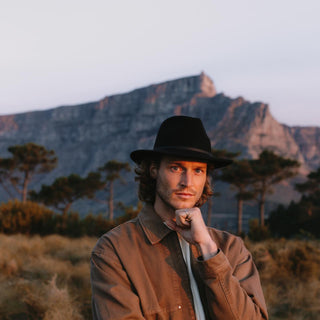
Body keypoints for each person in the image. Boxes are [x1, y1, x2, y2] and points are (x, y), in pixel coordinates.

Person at [90, 116, 268, 320]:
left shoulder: (232, 248)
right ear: (154, 170)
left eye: (198, 170)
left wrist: (209, 252)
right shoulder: (114, 250)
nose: (187, 182)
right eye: (176, 168)